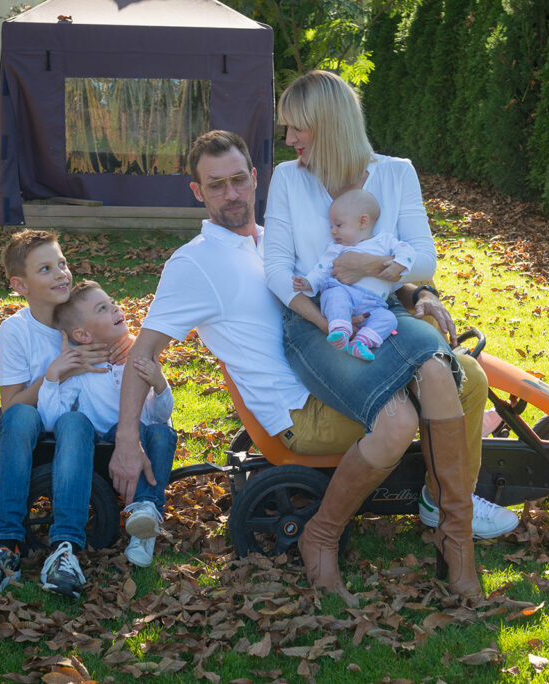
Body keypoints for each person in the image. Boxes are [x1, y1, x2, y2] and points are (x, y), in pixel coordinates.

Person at [110, 131, 508, 602]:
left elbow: (356, 275)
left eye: (239, 179)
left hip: (342, 375)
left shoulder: (278, 242)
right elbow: (143, 352)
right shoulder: (194, 264)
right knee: (400, 416)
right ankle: (325, 535)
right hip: (300, 411)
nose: (232, 193)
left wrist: (419, 294)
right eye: (216, 185)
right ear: (197, 192)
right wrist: (127, 438)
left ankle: (437, 501)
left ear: (257, 179)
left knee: (467, 374)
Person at [264, 71, 518, 598]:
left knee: (439, 372)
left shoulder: (397, 174)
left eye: (297, 129)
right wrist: (329, 318)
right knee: (397, 419)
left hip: (382, 312)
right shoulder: (289, 179)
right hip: (317, 323)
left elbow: (423, 259)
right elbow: (276, 270)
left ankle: (456, 539)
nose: (289, 141)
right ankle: (321, 536)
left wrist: (368, 265)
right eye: (286, 130)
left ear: (330, 125)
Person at [0, 230, 131, 599]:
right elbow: (11, 409)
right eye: (45, 269)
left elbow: (125, 339)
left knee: (73, 422)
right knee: (20, 418)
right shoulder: (16, 332)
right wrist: (58, 370)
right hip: (36, 429)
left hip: (90, 425)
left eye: (62, 263)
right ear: (20, 285)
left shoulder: (84, 317)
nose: (60, 274)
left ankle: (64, 548)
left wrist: (128, 345)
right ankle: (3, 544)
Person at [39, 280, 178, 568]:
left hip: (147, 442)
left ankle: (146, 519)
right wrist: (54, 375)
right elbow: (53, 419)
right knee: (135, 430)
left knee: (163, 433)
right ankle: (145, 510)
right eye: (103, 308)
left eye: (112, 302)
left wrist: (159, 382)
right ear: (83, 334)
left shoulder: (135, 362)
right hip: (108, 445)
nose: (116, 307)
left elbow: (160, 415)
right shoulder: (83, 374)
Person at [292, 188, 414, 361]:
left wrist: (399, 264)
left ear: (363, 222)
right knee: (334, 295)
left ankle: (361, 343)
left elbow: (407, 250)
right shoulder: (337, 248)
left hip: (374, 304)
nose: (333, 231)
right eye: (331, 226)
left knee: (389, 319)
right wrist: (308, 283)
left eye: (339, 225)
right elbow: (321, 269)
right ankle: (340, 331)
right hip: (344, 292)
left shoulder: (385, 241)